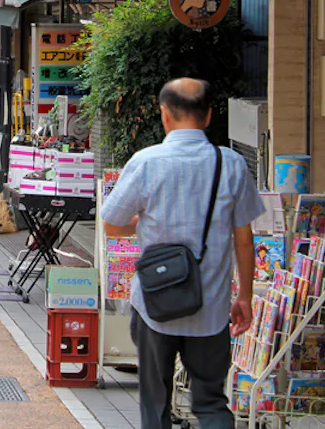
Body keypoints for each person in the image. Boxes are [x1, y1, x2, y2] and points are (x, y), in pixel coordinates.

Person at [100, 78, 264, 429]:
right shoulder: (231, 164)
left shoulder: (146, 162)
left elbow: (111, 225)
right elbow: (244, 239)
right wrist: (245, 296)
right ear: (207, 116)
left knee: (154, 403)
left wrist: (142, 224)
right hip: (211, 307)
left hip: (155, 306)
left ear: (165, 115)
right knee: (210, 402)